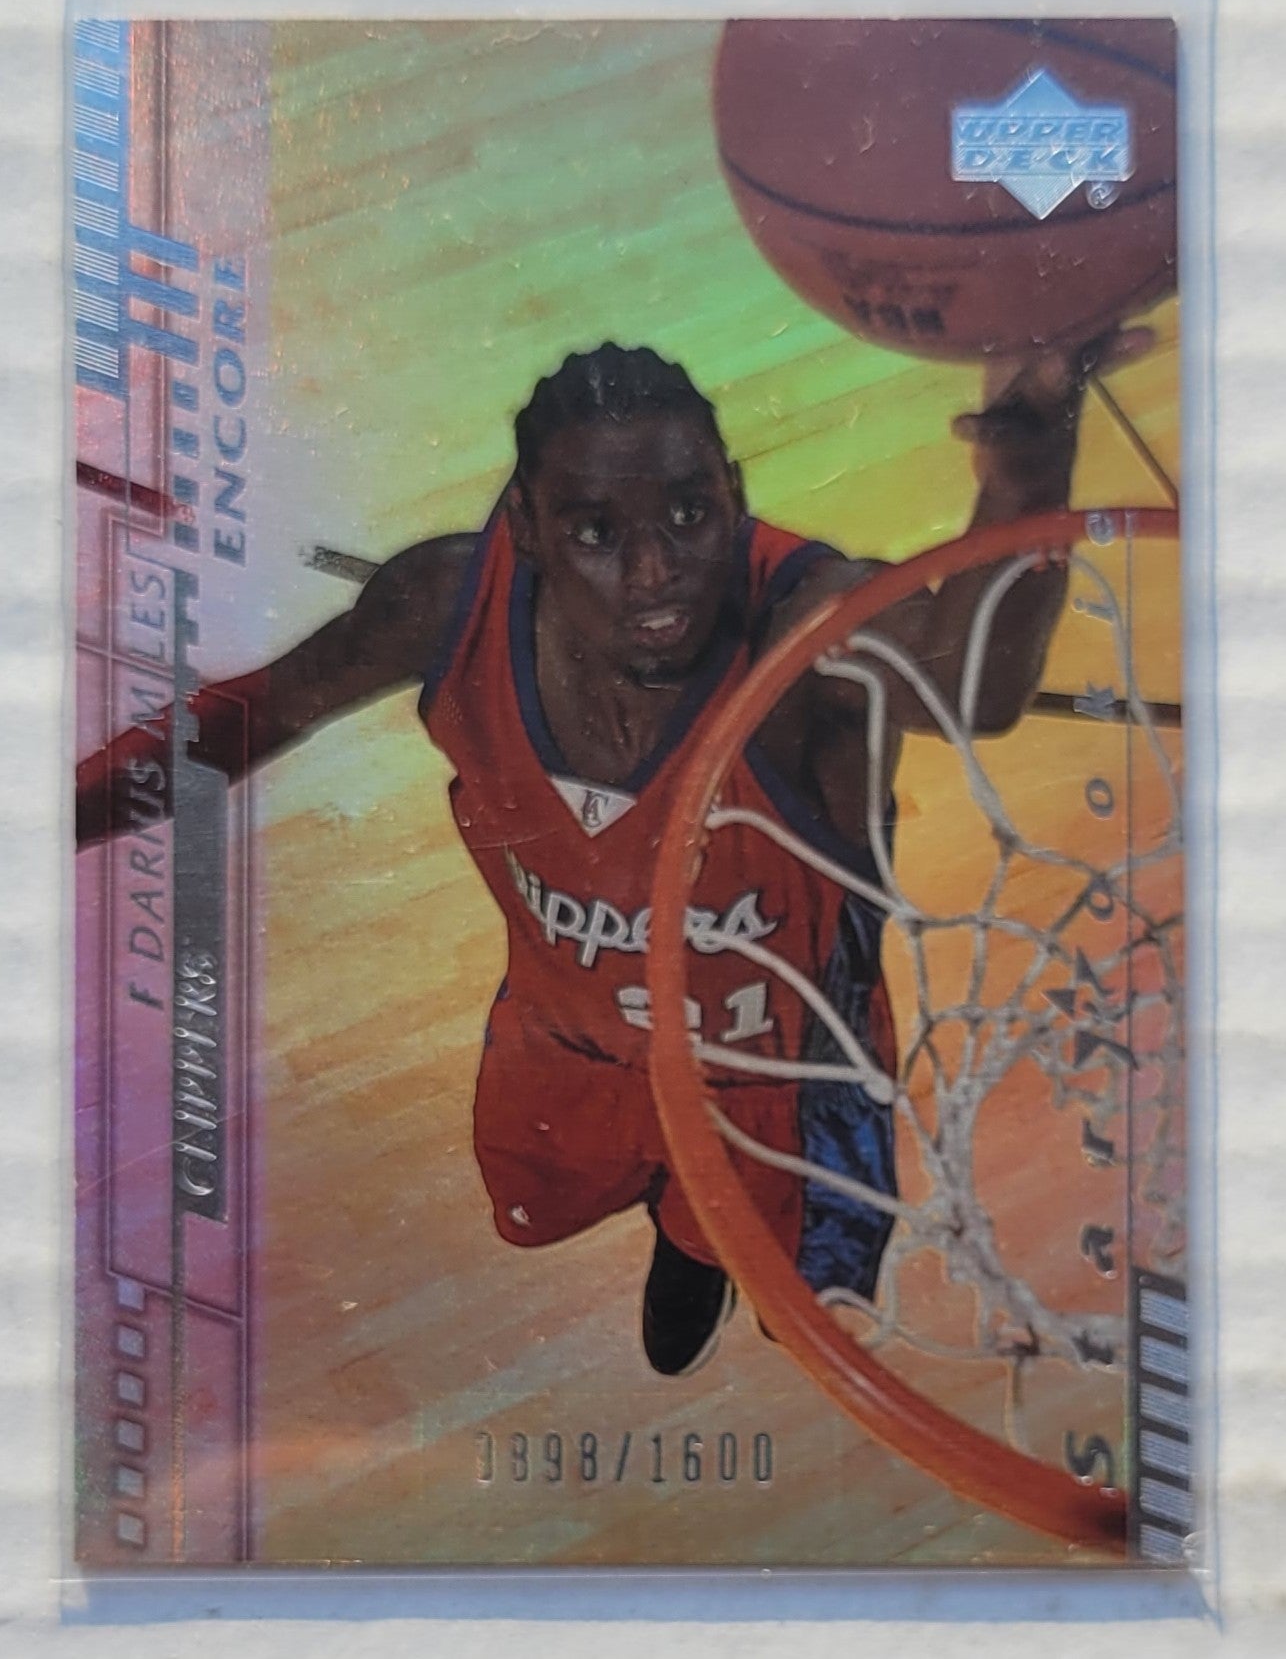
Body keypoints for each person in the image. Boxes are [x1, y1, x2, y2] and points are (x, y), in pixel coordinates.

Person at [76, 330, 1148, 1376]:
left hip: (781, 1071)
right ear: (526, 529)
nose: (653, 573)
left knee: (795, 1316)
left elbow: (973, 685)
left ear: (733, 494)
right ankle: (677, 1220)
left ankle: (696, 1246)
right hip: (569, 1030)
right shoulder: (449, 604)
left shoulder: (805, 621)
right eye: (594, 530)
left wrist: (1027, 454)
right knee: (550, 1198)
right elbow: (254, 712)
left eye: (689, 514)